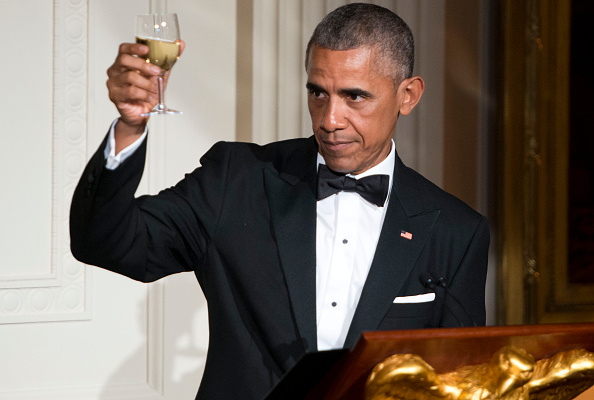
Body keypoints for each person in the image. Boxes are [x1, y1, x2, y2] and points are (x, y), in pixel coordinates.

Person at [70, 3, 489, 399]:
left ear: (408, 95)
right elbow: (105, 240)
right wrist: (129, 126)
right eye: (318, 93)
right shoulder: (236, 181)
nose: (329, 120)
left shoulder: (455, 230)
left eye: (354, 97)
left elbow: (460, 381)